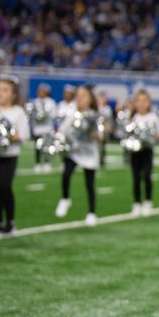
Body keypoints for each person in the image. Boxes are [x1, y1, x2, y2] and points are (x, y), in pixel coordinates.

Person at [0, 74, 31, 234]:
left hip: (9, 156)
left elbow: (24, 135)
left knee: (4, 186)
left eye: (5, 90)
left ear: (13, 94)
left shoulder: (18, 112)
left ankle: (10, 222)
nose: (0, 93)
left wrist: (4, 135)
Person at [54, 84, 102, 226]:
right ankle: (65, 198)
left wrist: (95, 134)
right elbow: (62, 130)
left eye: (84, 96)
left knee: (89, 183)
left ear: (90, 98)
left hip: (89, 152)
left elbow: (101, 135)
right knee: (66, 174)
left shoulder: (94, 115)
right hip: (74, 150)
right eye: (78, 95)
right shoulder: (71, 112)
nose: (80, 98)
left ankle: (92, 213)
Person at [122, 89, 159, 216]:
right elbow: (125, 133)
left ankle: (148, 201)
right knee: (136, 177)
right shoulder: (132, 117)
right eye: (139, 100)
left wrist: (149, 135)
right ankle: (137, 203)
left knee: (147, 176)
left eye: (144, 100)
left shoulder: (153, 117)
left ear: (149, 102)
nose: (141, 103)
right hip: (135, 151)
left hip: (147, 150)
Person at [29, 83, 57, 173]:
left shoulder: (51, 102)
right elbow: (31, 115)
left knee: (47, 146)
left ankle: (47, 163)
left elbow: (54, 115)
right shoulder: (34, 102)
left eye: (42, 91)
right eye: (39, 90)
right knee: (37, 147)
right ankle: (37, 163)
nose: (40, 92)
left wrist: (45, 115)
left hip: (47, 128)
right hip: (37, 128)